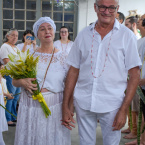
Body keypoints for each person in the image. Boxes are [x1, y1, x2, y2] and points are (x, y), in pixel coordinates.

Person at [62, 0, 142, 145]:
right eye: (103, 7)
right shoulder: (84, 35)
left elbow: (135, 74)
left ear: (117, 9)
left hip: (112, 105)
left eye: (111, 8)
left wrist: (124, 109)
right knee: (85, 142)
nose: (106, 11)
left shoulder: (127, 36)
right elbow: (73, 71)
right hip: (83, 101)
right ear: (95, 7)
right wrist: (66, 105)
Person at [13, 17, 71, 145]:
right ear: (37, 35)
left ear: (54, 31)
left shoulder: (63, 57)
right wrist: (22, 82)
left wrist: (69, 108)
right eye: (42, 29)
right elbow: (14, 81)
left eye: (50, 28)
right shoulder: (28, 55)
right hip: (30, 107)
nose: (47, 32)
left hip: (54, 108)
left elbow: (70, 85)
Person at [125, 14, 145, 145]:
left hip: (142, 82)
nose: (138, 22)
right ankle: (141, 139)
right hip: (139, 83)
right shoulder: (140, 41)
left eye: (141, 20)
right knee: (141, 112)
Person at [0, 28, 21, 126]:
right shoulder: (5, 46)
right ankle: (8, 119)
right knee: (10, 97)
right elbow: (6, 61)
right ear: (7, 36)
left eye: (16, 35)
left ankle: (13, 116)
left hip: (18, 75)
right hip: (10, 75)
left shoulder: (16, 47)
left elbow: (21, 59)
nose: (15, 37)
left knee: (15, 98)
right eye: (12, 35)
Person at [0, 62, 14, 145]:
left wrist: (7, 95)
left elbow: (1, 91)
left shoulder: (2, 80)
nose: (3, 70)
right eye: (1, 69)